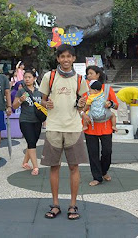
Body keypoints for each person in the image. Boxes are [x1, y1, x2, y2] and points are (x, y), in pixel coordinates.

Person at [39, 44, 88, 220]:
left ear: (74, 58)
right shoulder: (49, 76)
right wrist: (47, 104)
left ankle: (73, 205)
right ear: (58, 59)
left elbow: (84, 101)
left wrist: (82, 104)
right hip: (53, 127)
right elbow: (42, 100)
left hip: (74, 127)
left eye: (69, 57)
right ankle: (55, 204)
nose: (66, 60)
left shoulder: (80, 79)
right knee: (54, 166)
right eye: (62, 57)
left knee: (74, 167)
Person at [83, 65, 119, 187]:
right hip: (90, 126)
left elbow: (116, 105)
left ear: (98, 75)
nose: (88, 76)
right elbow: (81, 107)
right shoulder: (85, 89)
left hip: (106, 125)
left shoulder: (107, 89)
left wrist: (111, 104)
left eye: (91, 73)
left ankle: (104, 171)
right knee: (93, 153)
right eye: (87, 74)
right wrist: (83, 114)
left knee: (107, 151)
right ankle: (97, 177)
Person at [12, 70, 43, 176]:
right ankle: (35, 167)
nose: (27, 79)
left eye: (29, 77)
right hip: (25, 120)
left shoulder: (39, 92)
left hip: (37, 121)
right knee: (31, 142)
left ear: (34, 78)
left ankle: (25, 162)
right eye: (25, 77)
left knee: (33, 142)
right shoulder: (22, 91)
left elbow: (43, 105)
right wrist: (20, 101)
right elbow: (14, 106)